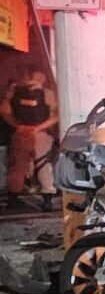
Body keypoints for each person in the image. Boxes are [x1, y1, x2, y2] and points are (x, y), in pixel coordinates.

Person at [6, 70, 59, 211]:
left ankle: (13, 198)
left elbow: (5, 111)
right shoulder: (47, 94)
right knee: (43, 164)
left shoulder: (15, 93)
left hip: (20, 133)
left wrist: (17, 126)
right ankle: (47, 198)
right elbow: (56, 115)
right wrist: (39, 128)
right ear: (42, 79)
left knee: (17, 166)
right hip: (40, 133)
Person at [0, 80, 17, 193]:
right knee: (3, 163)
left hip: (9, 139)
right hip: (2, 140)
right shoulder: (4, 103)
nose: (13, 92)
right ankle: (3, 186)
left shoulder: (15, 103)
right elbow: (8, 118)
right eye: (11, 90)